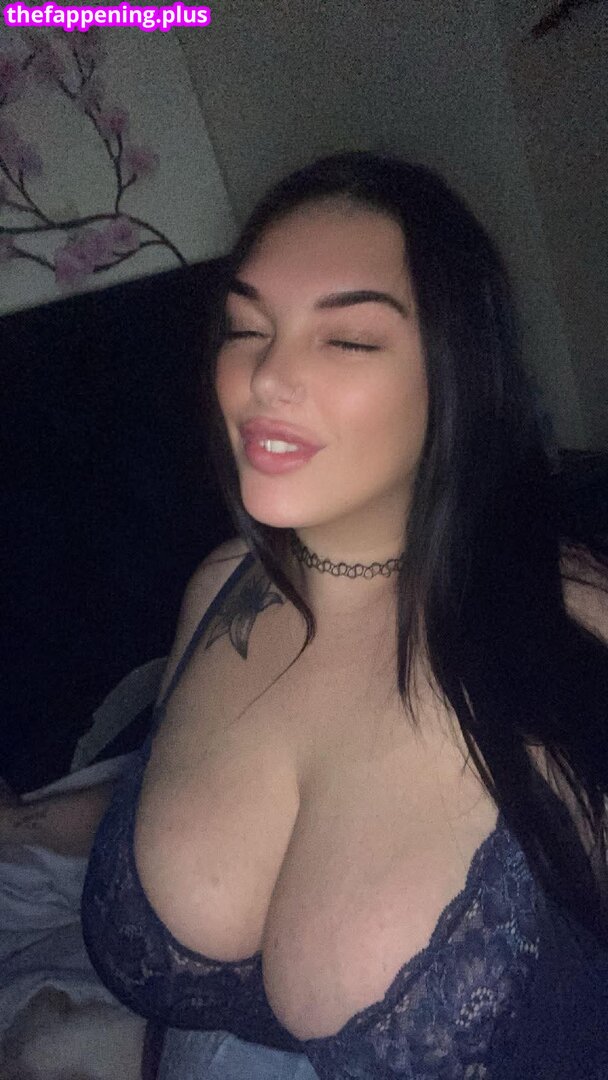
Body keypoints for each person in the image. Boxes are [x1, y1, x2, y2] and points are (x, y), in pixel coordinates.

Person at [11, 152, 608, 1078]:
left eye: (348, 340)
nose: (265, 377)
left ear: (455, 373)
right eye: (247, 328)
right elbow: (198, 799)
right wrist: (36, 827)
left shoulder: (575, 625)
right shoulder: (220, 591)